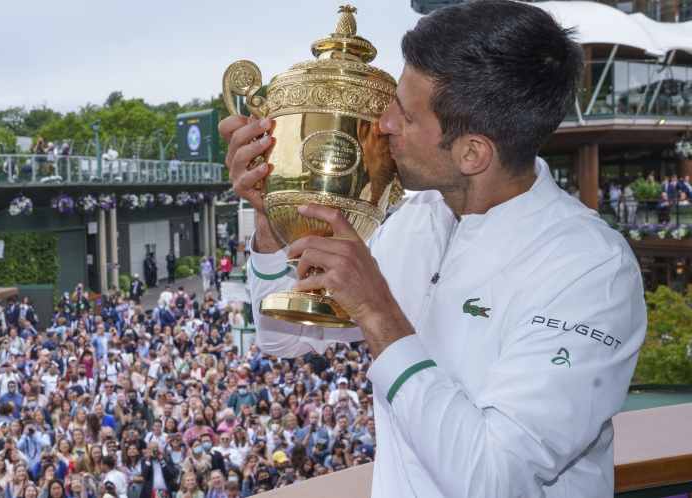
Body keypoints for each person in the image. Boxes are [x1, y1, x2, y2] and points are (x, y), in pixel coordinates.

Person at [223, 1, 645, 496]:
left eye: (404, 113)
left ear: (472, 152)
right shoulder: (411, 216)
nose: (382, 123)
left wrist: (379, 312)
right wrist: (273, 219)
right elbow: (286, 341)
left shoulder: (591, 270)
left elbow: (494, 478)